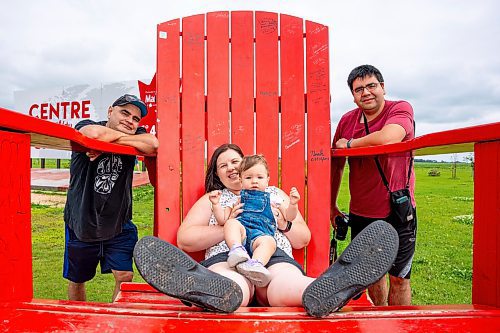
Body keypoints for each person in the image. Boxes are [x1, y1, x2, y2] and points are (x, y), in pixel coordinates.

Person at [134, 143, 400, 317]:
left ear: (249, 165)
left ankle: (327, 288)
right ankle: (206, 290)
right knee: (233, 288)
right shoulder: (215, 198)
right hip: (228, 258)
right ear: (217, 174)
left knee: (285, 284)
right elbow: (186, 240)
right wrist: (227, 225)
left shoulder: (274, 194)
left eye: (236, 162)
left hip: (272, 260)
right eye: (223, 165)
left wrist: (282, 223)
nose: (232, 168)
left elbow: (303, 238)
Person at [331, 64, 417, 306]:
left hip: (398, 210)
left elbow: (390, 136)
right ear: (353, 95)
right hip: (362, 212)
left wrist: (349, 145)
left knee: (399, 278)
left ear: (382, 87)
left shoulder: (399, 108)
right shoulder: (347, 120)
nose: (366, 92)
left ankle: (399, 326)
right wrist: (331, 205)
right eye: (359, 89)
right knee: (372, 277)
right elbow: (335, 165)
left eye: (371, 86)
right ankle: (379, 320)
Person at [63, 94, 159, 301]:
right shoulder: (87, 124)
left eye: (135, 119)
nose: (130, 121)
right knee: (77, 278)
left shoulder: (139, 134)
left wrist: (112, 141)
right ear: (110, 111)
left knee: (125, 275)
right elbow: (94, 134)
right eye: (125, 113)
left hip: (119, 221)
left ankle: (114, 320)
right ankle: (78, 322)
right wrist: (116, 142)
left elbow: (153, 144)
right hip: (82, 220)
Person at [209, 154, 300, 287]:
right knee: (231, 223)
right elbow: (222, 219)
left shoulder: (273, 198)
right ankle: (236, 250)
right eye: (248, 177)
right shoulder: (238, 199)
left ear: (268, 180)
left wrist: (293, 204)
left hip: (261, 235)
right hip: (242, 235)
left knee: (269, 242)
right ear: (241, 180)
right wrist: (216, 205)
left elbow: (289, 217)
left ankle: (255, 265)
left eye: (259, 177)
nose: (254, 181)